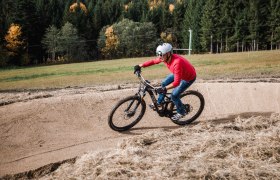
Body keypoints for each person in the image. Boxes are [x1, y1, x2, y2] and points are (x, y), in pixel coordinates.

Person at [134, 43, 196, 121]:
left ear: (169, 53)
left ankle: (181, 112)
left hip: (188, 78)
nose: (160, 57)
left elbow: (176, 82)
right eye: (159, 54)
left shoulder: (176, 63)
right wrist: (140, 65)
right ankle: (159, 102)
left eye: (162, 55)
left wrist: (164, 89)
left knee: (174, 95)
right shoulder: (164, 57)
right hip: (179, 73)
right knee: (163, 83)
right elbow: (153, 61)